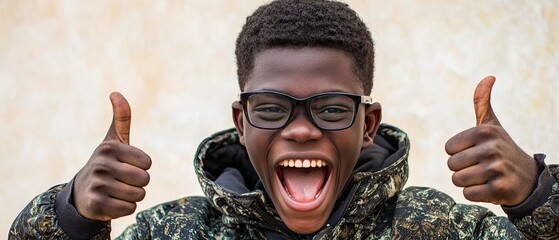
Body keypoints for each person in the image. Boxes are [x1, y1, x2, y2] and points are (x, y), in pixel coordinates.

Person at [9, 0, 558, 239]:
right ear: (241, 121)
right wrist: (72, 214)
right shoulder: (169, 233)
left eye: (332, 108)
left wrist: (538, 198)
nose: (301, 129)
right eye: (271, 108)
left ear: (368, 125)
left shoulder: (444, 231)